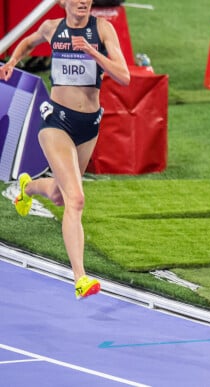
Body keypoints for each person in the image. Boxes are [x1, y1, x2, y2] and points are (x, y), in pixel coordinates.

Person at [0, 0, 130, 299]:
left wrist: (93, 52)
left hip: (90, 124)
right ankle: (80, 278)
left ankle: (28, 187)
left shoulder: (102, 29)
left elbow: (124, 76)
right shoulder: (51, 28)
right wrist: (11, 62)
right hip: (56, 120)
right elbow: (28, 42)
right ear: (64, 3)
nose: (84, 1)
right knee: (76, 199)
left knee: (60, 194)